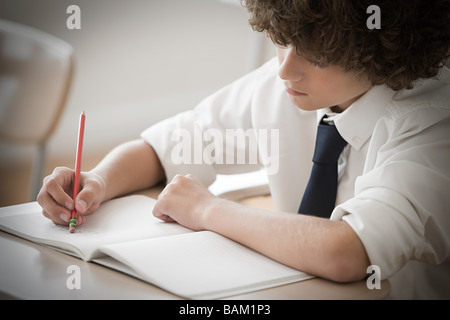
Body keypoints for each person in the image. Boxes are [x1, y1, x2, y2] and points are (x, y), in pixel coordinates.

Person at [37, 0, 450, 299]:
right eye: (282, 42)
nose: (285, 68)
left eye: (318, 55)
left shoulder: (433, 127)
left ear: (381, 51)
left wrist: (208, 210)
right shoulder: (285, 84)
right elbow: (168, 145)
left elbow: (349, 251)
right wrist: (98, 179)